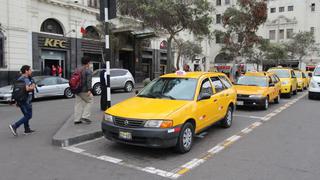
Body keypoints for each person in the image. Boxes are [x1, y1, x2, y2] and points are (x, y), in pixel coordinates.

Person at [9, 65, 36, 136]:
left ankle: (27, 129)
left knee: (26, 115)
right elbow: (27, 89)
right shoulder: (25, 78)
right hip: (26, 100)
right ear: (26, 71)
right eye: (30, 70)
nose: (31, 71)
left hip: (21, 100)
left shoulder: (20, 78)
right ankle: (15, 126)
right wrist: (33, 86)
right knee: (29, 115)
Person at [74, 56, 93, 124]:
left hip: (76, 89)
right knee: (90, 100)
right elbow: (89, 81)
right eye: (90, 62)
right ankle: (85, 116)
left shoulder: (77, 69)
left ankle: (77, 119)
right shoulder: (88, 70)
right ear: (88, 63)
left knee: (78, 104)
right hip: (84, 90)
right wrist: (89, 90)